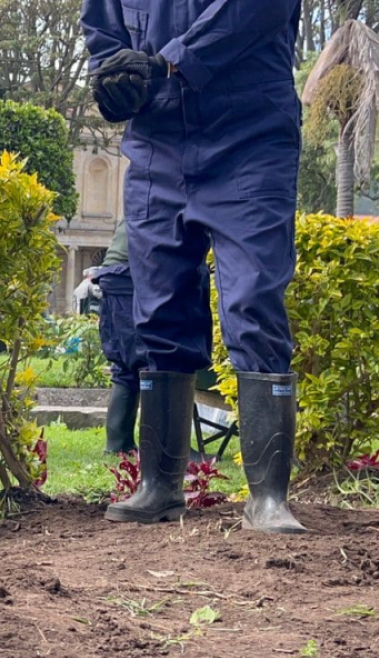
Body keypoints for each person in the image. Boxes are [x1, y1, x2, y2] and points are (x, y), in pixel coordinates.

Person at [82, 0, 306, 534]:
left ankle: (268, 498)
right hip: (158, 143)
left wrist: (168, 61)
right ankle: (159, 486)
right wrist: (116, 76)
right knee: (158, 309)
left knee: (253, 298)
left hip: (250, 137)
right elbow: (102, 28)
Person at [89, 220, 142, 454]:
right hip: (133, 274)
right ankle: (166, 445)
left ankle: (118, 444)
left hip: (115, 276)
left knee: (126, 363)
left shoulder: (143, 193)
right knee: (161, 362)